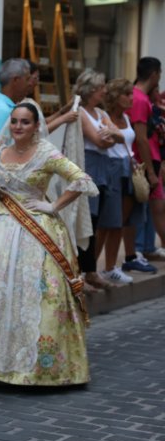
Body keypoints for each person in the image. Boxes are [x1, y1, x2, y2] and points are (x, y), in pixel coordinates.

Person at [0, 103, 97, 385]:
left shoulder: (47, 153)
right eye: (14, 121)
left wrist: (53, 206)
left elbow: (82, 180)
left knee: (30, 294)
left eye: (25, 122)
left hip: (35, 232)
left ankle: (32, 366)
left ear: (37, 126)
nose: (18, 127)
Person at [76, 69, 125, 289]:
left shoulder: (99, 112)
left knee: (97, 221)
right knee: (89, 221)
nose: (104, 91)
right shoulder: (81, 112)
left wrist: (110, 136)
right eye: (100, 87)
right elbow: (98, 139)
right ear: (91, 90)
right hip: (91, 167)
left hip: (103, 168)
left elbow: (119, 135)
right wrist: (110, 136)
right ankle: (85, 270)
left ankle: (90, 270)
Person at [103, 78, 156, 276]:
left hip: (128, 168)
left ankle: (123, 260)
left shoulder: (125, 118)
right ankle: (108, 266)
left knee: (127, 218)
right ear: (116, 97)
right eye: (126, 94)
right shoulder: (105, 117)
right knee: (113, 221)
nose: (131, 98)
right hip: (113, 170)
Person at [130, 57, 165, 261]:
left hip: (151, 159)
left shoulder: (142, 98)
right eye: (159, 74)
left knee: (152, 207)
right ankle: (136, 250)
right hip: (143, 161)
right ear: (153, 75)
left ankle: (144, 247)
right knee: (144, 208)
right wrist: (150, 170)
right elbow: (141, 138)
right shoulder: (139, 99)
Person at [0, 58, 31, 154]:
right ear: (16, 80)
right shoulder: (2, 110)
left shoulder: (5, 107)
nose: (29, 84)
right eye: (27, 79)